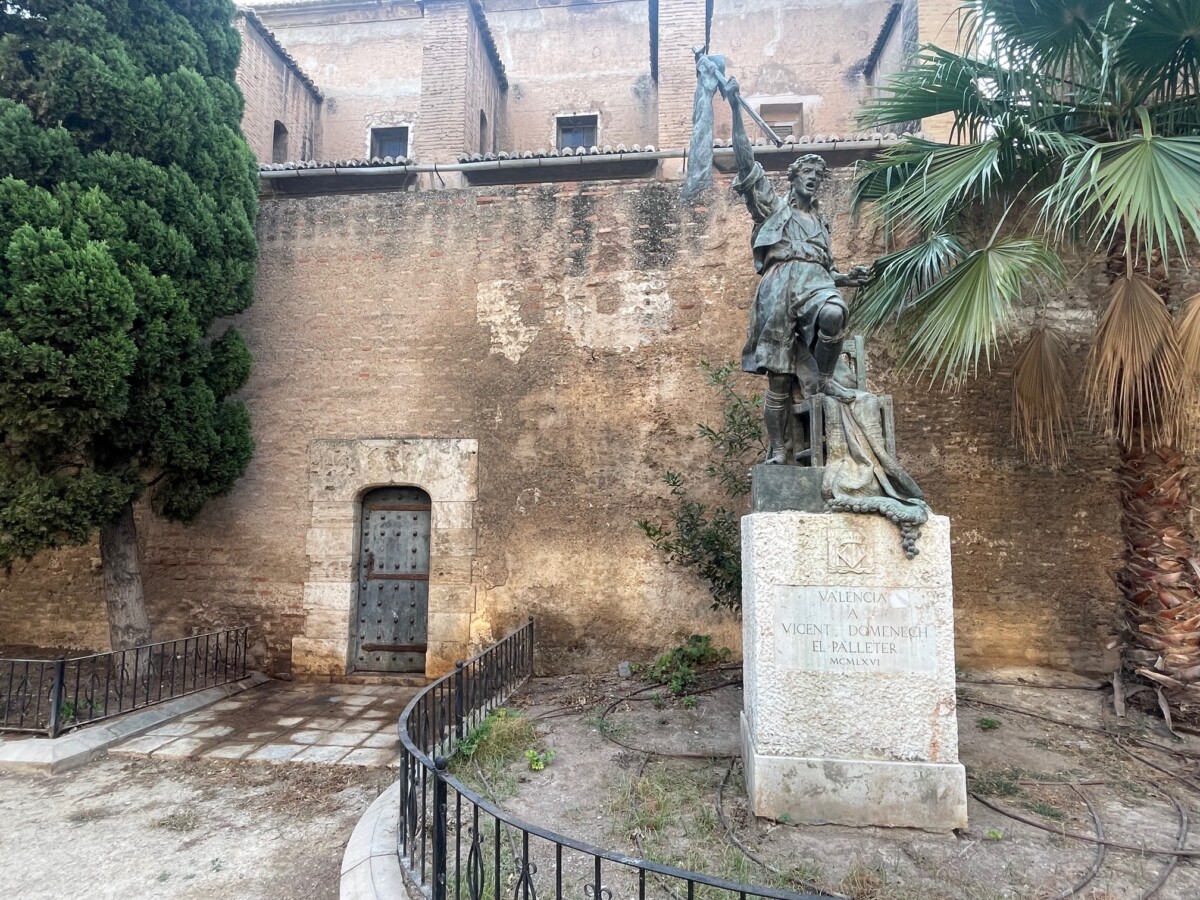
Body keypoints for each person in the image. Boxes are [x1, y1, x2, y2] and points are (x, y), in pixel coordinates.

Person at [724, 77, 868, 465]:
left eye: (818, 176)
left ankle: (821, 379)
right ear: (794, 177)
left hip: (816, 286)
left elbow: (825, 268)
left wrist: (846, 278)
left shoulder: (821, 224)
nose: (813, 179)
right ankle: (777, 449)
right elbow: (745, 162)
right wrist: (736, 108)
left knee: (835, 314)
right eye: (808, 172)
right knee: (780, 379)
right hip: (779, 290)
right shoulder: (775, 210)